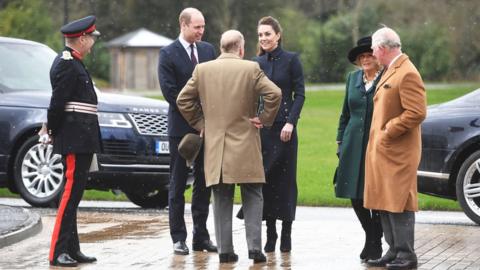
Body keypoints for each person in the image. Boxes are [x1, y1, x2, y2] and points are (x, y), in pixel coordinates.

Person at [176, 30, 281, 264]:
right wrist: (263, 119)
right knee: (253, 194)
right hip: (246, 142)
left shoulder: (202, 70)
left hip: (217, 146)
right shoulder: (251, 68)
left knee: (221, 196)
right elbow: (275, 93)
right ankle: (255, 248)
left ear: (221, 47)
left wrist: (202, 123)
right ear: (241, 48)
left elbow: (183, 99)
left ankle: (225, 250)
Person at [39, 15, 101, 267]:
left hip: (82, 137)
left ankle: (72, 249)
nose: (93, 42)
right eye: (92, 38)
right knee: (69, 196)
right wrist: (50, 129)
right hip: (75, 137)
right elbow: (58, 102)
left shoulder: (75, 63)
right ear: (82, 38)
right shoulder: (66, 63)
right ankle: (57, 251)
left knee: (74, 196)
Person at [364, 27, 426, 270]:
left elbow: (417, 112)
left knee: (399, 201)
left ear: (382, 48)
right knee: (384, 200)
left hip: (398, 151)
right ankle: (393, 250)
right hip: (384, 151)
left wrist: (389, 130)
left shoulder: (407, 73)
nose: (372, 54)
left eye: (373, 49)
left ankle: (406, 255)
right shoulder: (391, 70)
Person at [157, 7, 217, 255]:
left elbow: (215, 86)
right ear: (183, 25)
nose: (201, 31)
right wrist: (197, 121)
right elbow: (171, 94)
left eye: (203, 26)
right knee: (178, 182)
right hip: (181, 130)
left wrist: (208, 122)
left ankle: (200, 237)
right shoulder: (167, 54)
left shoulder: (208, 50)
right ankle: (178, 238)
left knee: (204, 183)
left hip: (208, 130)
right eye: (197, 27)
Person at [254, 16, 305, 253]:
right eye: (261, 34)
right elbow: (252, 97)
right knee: (266, 181)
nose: (264, 38)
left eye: (267, 34)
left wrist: (291, 123)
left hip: (286, 132)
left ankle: (287, 233)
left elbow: (300, 95)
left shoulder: (292, 60)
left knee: (285, 182)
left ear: (278, 35)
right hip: (263, 132)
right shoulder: (256, 63)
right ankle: (270, 232)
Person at [335, 36, 384, 261]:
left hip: (377, 143)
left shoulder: (386, 78)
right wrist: (340, 142)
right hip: (352, 143)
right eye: (361, 56)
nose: (365, 59)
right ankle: (372, 235)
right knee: (355, 194)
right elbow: (345, 113)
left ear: (377, 57)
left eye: (369, 55)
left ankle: (375, 240)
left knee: (375, 192)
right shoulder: (352, 79)